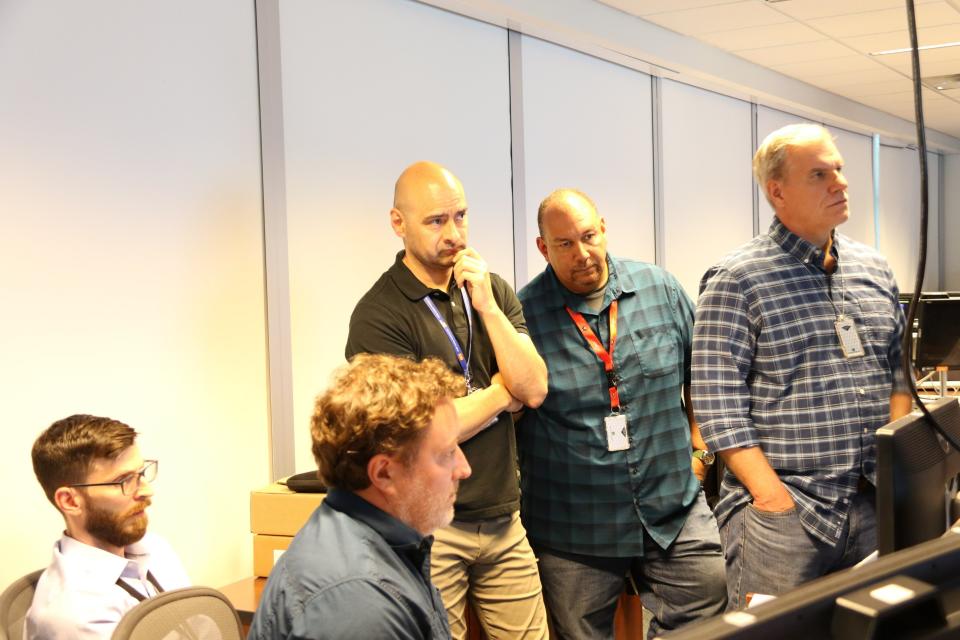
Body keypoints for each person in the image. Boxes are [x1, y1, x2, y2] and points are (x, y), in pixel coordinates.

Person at [691, 123, 912, 609]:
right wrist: (772, 499)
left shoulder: (874, 268)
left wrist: (898, 472)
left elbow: (899, 373)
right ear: (777, 191)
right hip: (786, 518)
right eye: (818, 174)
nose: (840, 182)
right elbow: (717, 403)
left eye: (839, 169)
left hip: (873, 503)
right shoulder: (738, 278)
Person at [344, 161, 549, 639]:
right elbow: (422, 431)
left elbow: (535, 387)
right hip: (429, 526)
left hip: (503, 515)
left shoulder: (490, 288)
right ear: (399, 223)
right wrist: (502, 394)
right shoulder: (379, 314)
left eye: (461, 216)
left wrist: (488, 307)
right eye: (436, 221)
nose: (454, 233)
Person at [517, 188, 726, 639]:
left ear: (604, 228)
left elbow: (704, 382)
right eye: (565, 244)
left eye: (589, 236)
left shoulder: (660, 288)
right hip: (575, 525)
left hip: (672, 501)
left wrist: (701, 457)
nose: (582, 253)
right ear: (543, 248)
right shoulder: (524, 315)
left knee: (709, 605)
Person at [248, 354, 472, 639]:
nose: (464, 469)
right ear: (383, 474)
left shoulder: (381, 542)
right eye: (447, 454)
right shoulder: (359, 605)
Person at [25, 414, 189, 640]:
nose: (146, 491)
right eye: (124, 480)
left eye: (140, 474)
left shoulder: (156, 548)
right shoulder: (76, 616)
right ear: (70, 501)